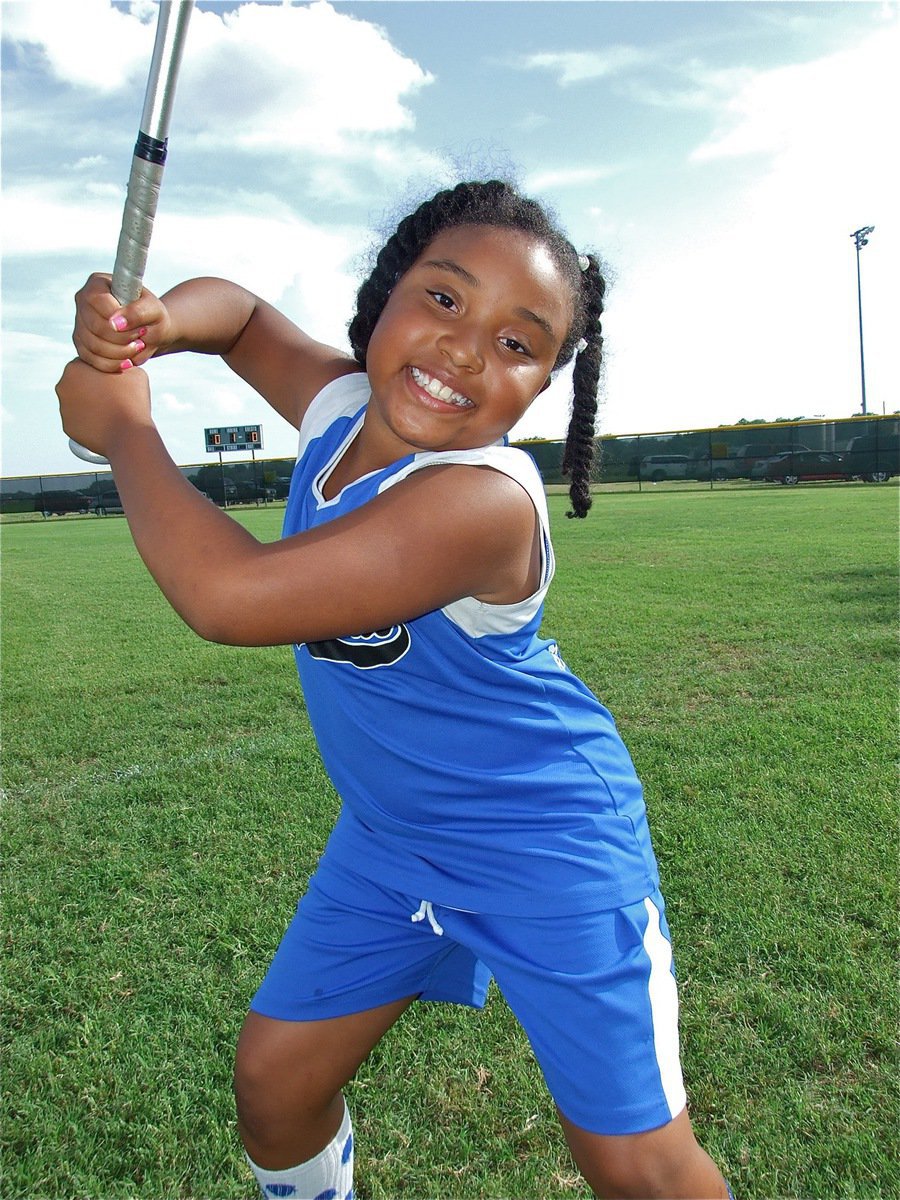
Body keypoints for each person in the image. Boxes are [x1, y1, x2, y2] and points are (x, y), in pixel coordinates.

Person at [57, 179, 733, 1200]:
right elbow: (238, 317)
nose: (467, 350)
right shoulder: (337, 408)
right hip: (394, 839)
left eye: (519, 343)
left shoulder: (482, 503)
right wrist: (159, 322)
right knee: (276, 1085)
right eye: (446, 299)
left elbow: (229, 599)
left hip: (543, 843)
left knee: (636, 1162)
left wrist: (127, 434)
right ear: (385, 299)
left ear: (545, 385)